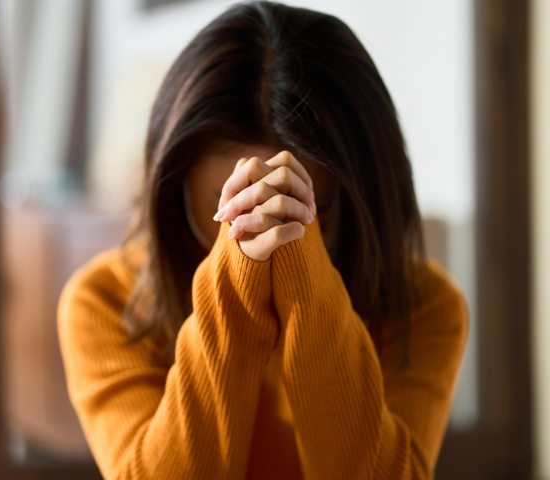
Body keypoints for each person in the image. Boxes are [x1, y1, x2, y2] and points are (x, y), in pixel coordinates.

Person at [57, 2, 469, 479]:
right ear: (174, 189)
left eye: (310, 210)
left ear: (367, 195)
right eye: (230, 206)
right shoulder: (104, 303)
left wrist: (307, 281)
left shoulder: (425, 307)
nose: (266, 234)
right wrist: (234, 280)